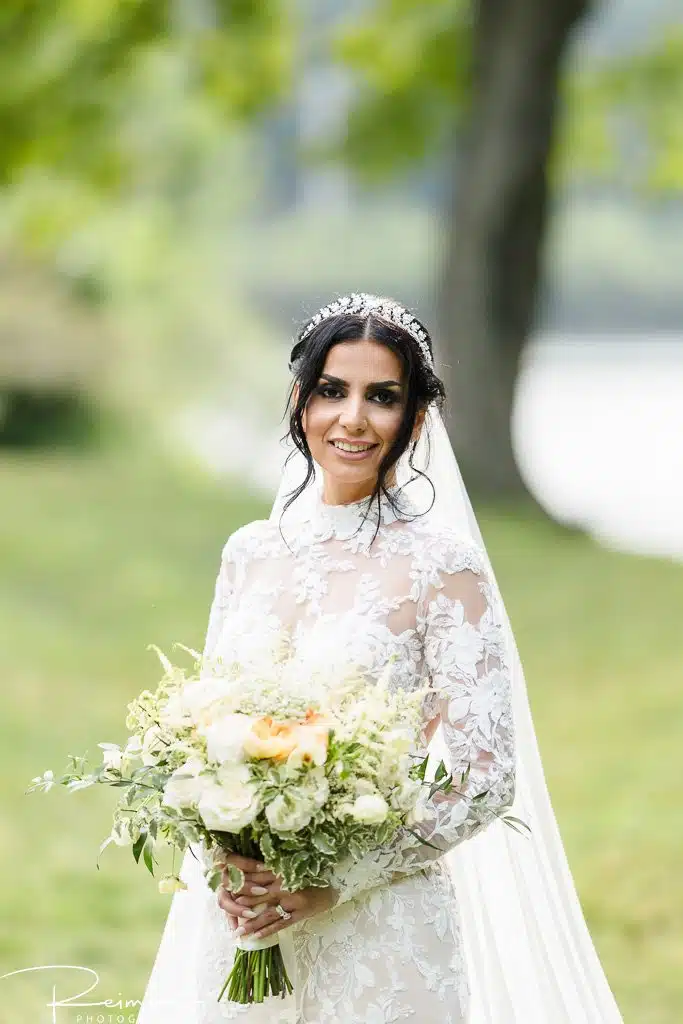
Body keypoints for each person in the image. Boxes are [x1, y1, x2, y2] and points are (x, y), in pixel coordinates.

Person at [137, 294, 623, 1023]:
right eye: (332, 390)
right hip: (245, 917)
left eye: (382, 397)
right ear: (300, 400)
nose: (353, 418)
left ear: (416, 420)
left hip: (380, 934)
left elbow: (485, 777)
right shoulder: (250, 553)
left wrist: (334, 882)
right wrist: (230, 855)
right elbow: (207, 734)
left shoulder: (443, 568)